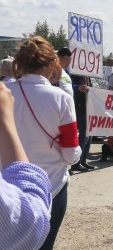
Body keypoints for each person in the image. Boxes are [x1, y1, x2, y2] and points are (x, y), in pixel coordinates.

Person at [7, 36, 82, 249]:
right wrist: (76, 153)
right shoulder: (61, 98)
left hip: (9, 188)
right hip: (52, 188)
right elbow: (69, 154)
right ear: (52, 64)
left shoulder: (5, 92)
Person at [0, 81, 52, 250]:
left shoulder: (9, 90)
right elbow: (28, 223)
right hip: (43, 185)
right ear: (51, 66)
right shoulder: (61, 97)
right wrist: (5, 122)